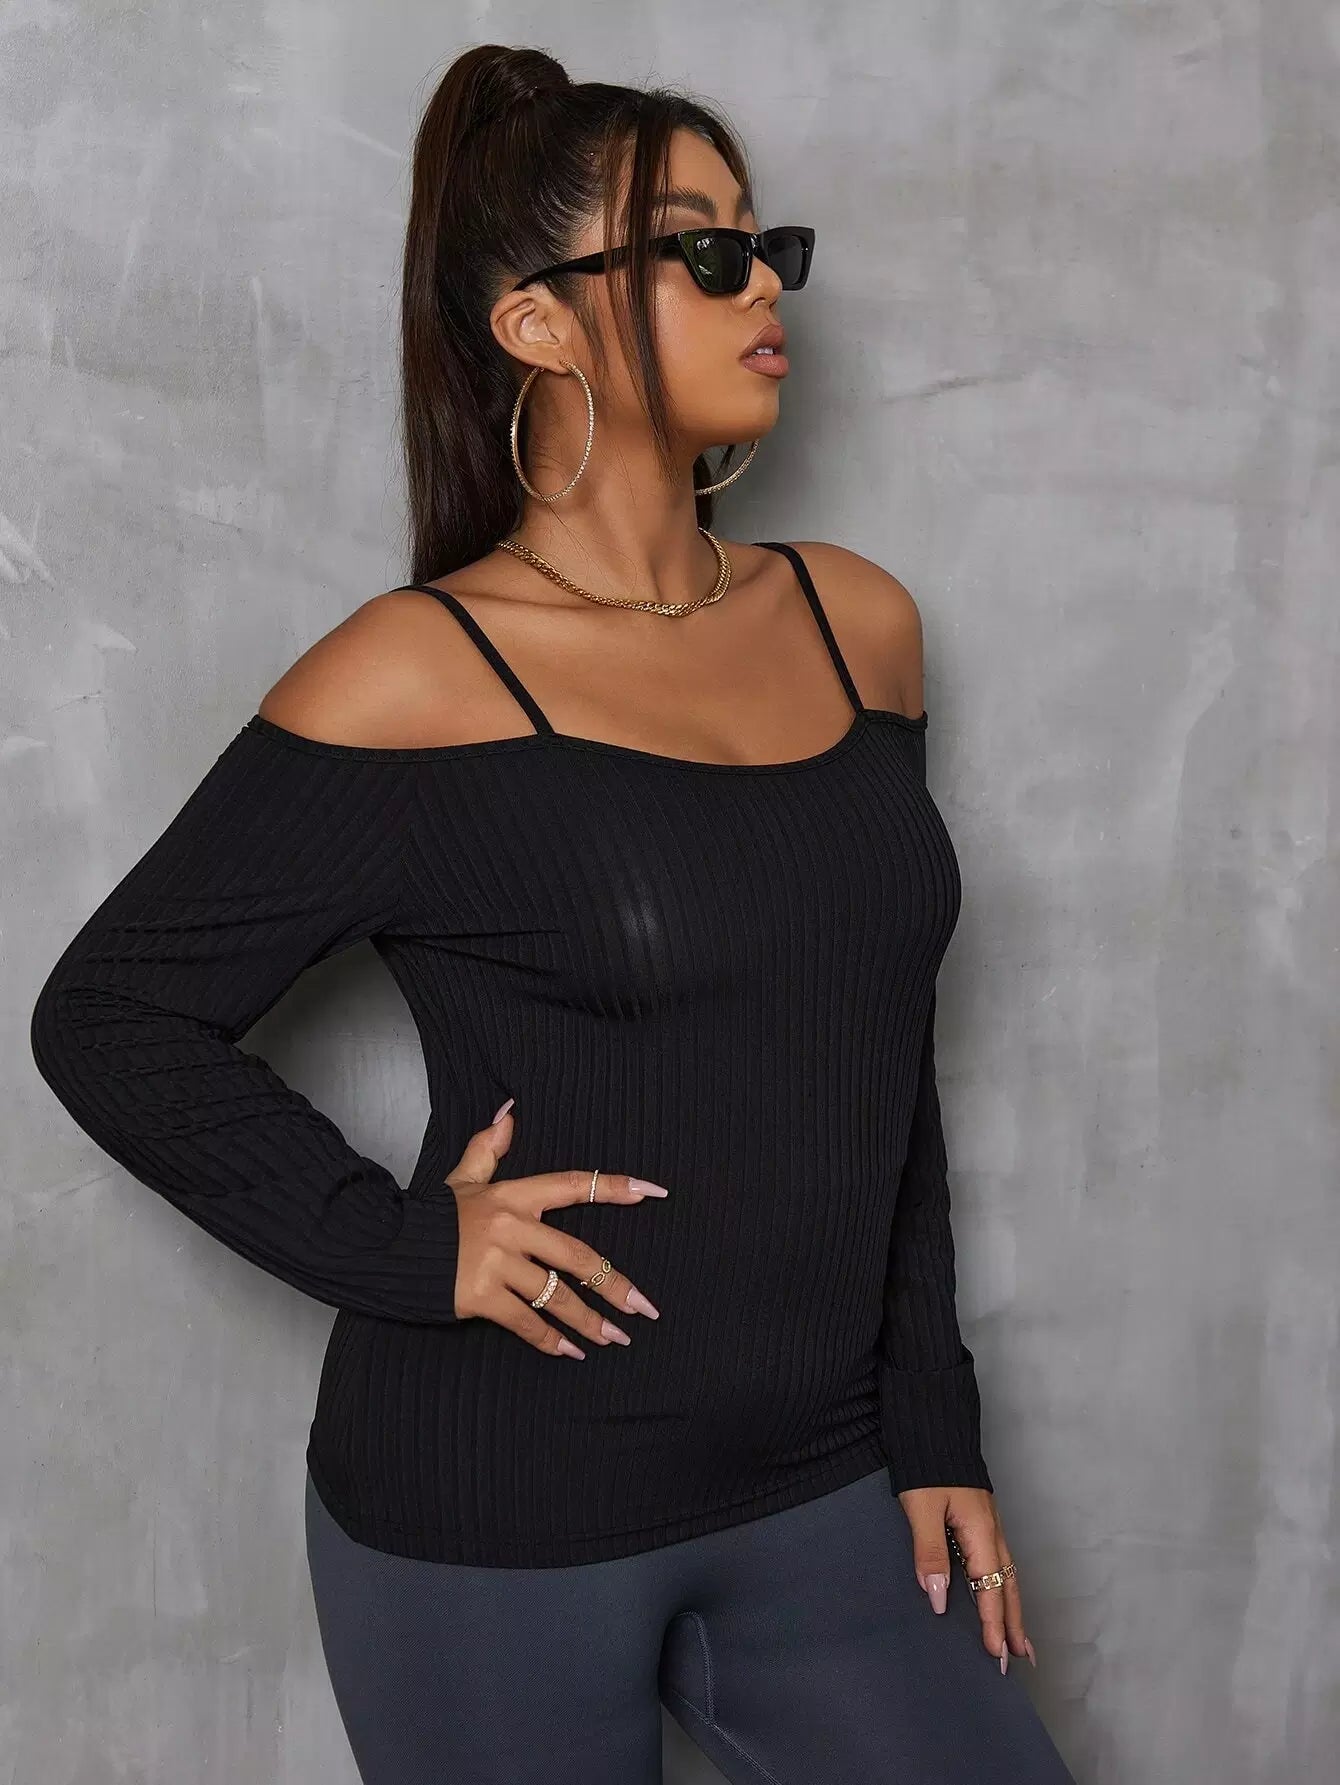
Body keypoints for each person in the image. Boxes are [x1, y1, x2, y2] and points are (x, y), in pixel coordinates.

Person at [29, 41, 1077, 1785]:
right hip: (495, 1510)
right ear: (537, 324)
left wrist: (932, 1420)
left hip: (826, 1484)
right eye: (707, 250)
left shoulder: (859, 628)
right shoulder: (416, 673)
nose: (768, 285)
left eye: (766, 243)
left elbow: (878, 1062)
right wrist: (406, 1246)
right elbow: (110, 1014)